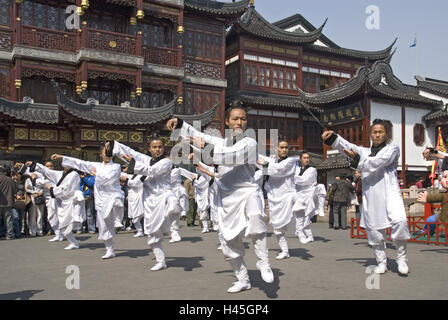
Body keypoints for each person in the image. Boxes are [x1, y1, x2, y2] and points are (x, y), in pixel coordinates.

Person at [167, 106, 274, 294]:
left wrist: (205, 149)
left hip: (248, 191)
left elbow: (232, 158)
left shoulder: (249, 142)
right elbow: (197, 134)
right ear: (227, 122)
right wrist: (180, 124)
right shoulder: (221, 142)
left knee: (256, 217)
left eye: (243, 119)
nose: (239, 122)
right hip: (226, 197)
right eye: (235, 119)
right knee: (229, 242)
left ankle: (263, 262)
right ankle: (243, 279)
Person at [322, 119, 410, 275]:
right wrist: (333, 137)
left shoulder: (393, 149)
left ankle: (401, 258)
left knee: (400, 221)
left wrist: (356, 160)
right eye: (374, 132)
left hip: (390, 193)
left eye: (380, 132)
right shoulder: (364, 152)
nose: (377, 135)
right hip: (372, 195)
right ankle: (381, 262)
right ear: (370, 134)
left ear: (386, 134)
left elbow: (377, 162)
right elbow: (349, 148)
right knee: (375, 231)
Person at [111, 135, 182, 271]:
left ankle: (175, 230)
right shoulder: (147, 160)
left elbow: (152, 171)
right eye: (154, 147)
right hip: (150, 201)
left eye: (160, 147)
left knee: (172, 201)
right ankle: (161, 261)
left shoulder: (166, 162)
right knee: (152, 234)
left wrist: (132, 163)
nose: (157, 150)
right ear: (149, 149)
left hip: (164, 195)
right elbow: (133, 153)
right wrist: (114, 145)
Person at [51, 142, 124, 259]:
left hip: (113, 193)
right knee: (104, 226)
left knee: (118, 200)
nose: (108, 154)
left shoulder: (116, 167)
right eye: (105, 152)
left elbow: (108, 179)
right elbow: (80, 163)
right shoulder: (96, 165)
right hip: (101, 198)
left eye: (110, 152)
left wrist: (96, 174)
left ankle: (118, 220)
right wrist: (62, 157)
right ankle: (110, 249)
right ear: (101, 154)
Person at [257, 137, 298, 259]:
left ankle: (303, 229)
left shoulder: (291, 161)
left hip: (287, 194)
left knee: (299, 205)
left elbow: (278, 170)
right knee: (277, 227)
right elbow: (265, 171)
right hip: (274, 197)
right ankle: (285, 251)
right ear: (276, 149)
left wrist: (264, 163)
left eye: (286, 147)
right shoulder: (271, 161)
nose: (284, 150)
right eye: (282, 147)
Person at [293, 151, 318, 243]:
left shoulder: (312, 169)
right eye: (305, 158)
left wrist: (293, 178)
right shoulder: (297, 169)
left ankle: (308, 235)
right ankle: (304, 233)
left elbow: (306, 181)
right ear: (300, 159)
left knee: (306, 215)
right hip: (299, 194)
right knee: (299, 214)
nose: (307, 159)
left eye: (308, 158)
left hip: (308, 194)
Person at [417, 169, 448, 236]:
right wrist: (427, 197)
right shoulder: (445, 194)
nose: (447, 180)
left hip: (445, 217)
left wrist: (427, 198)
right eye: (445, 177)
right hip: (443, 216)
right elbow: (437, 197)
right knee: (431, 219)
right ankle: (428, 232)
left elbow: (438, 197)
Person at [121, 173, 145, 238]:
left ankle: (141, 231)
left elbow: (136, 183)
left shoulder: (141, 176)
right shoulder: (131, 176)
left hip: (139, 199)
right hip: (132, 199)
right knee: (134, 217)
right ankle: (140, 231)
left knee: (138, 217)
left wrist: (126, 180)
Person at [24, 170, 45, 237]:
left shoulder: (41, 179)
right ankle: (33, 231)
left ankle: (40, 230)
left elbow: (44, 187)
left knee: (40, 215)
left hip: (40, 197)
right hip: (32, 197)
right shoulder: (28, 180)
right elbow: (27, 189)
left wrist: (40, 192)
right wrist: (34, 192)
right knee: (32, 215)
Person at [0, 166, 15, 240]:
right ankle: (10, 235)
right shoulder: (10, 180)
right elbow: (14, 190)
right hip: (9, 202)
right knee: (8, 219)